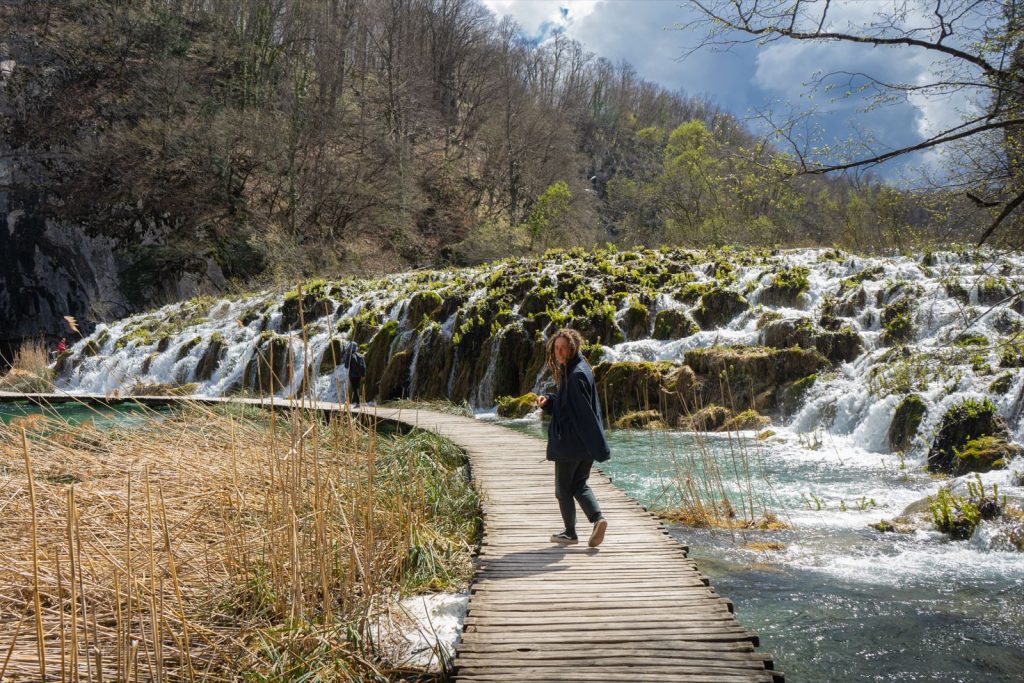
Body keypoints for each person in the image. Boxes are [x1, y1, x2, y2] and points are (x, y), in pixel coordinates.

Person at [536, 328, 610, 547]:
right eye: (556, 348)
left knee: (562, 489)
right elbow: (569, 404)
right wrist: (550, 402)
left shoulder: (575, 375)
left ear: (572, 347)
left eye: (563, 348)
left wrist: (595, 446)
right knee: (578, 484)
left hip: (572, 444)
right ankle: (598, 519)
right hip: (584, 444)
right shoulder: (578, 368)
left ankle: (570, 533)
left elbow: (581, 413)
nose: (559, 352)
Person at [345, 340, 366, 406]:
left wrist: (348, 356)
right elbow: (364, 366)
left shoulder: (350, 355)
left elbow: (346, 366)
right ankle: (359, 401)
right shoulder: (360, 356)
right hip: (359, 375)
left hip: (352, 375)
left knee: (355, 388)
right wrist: (363, 375)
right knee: (357, 387)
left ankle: (358, 403)